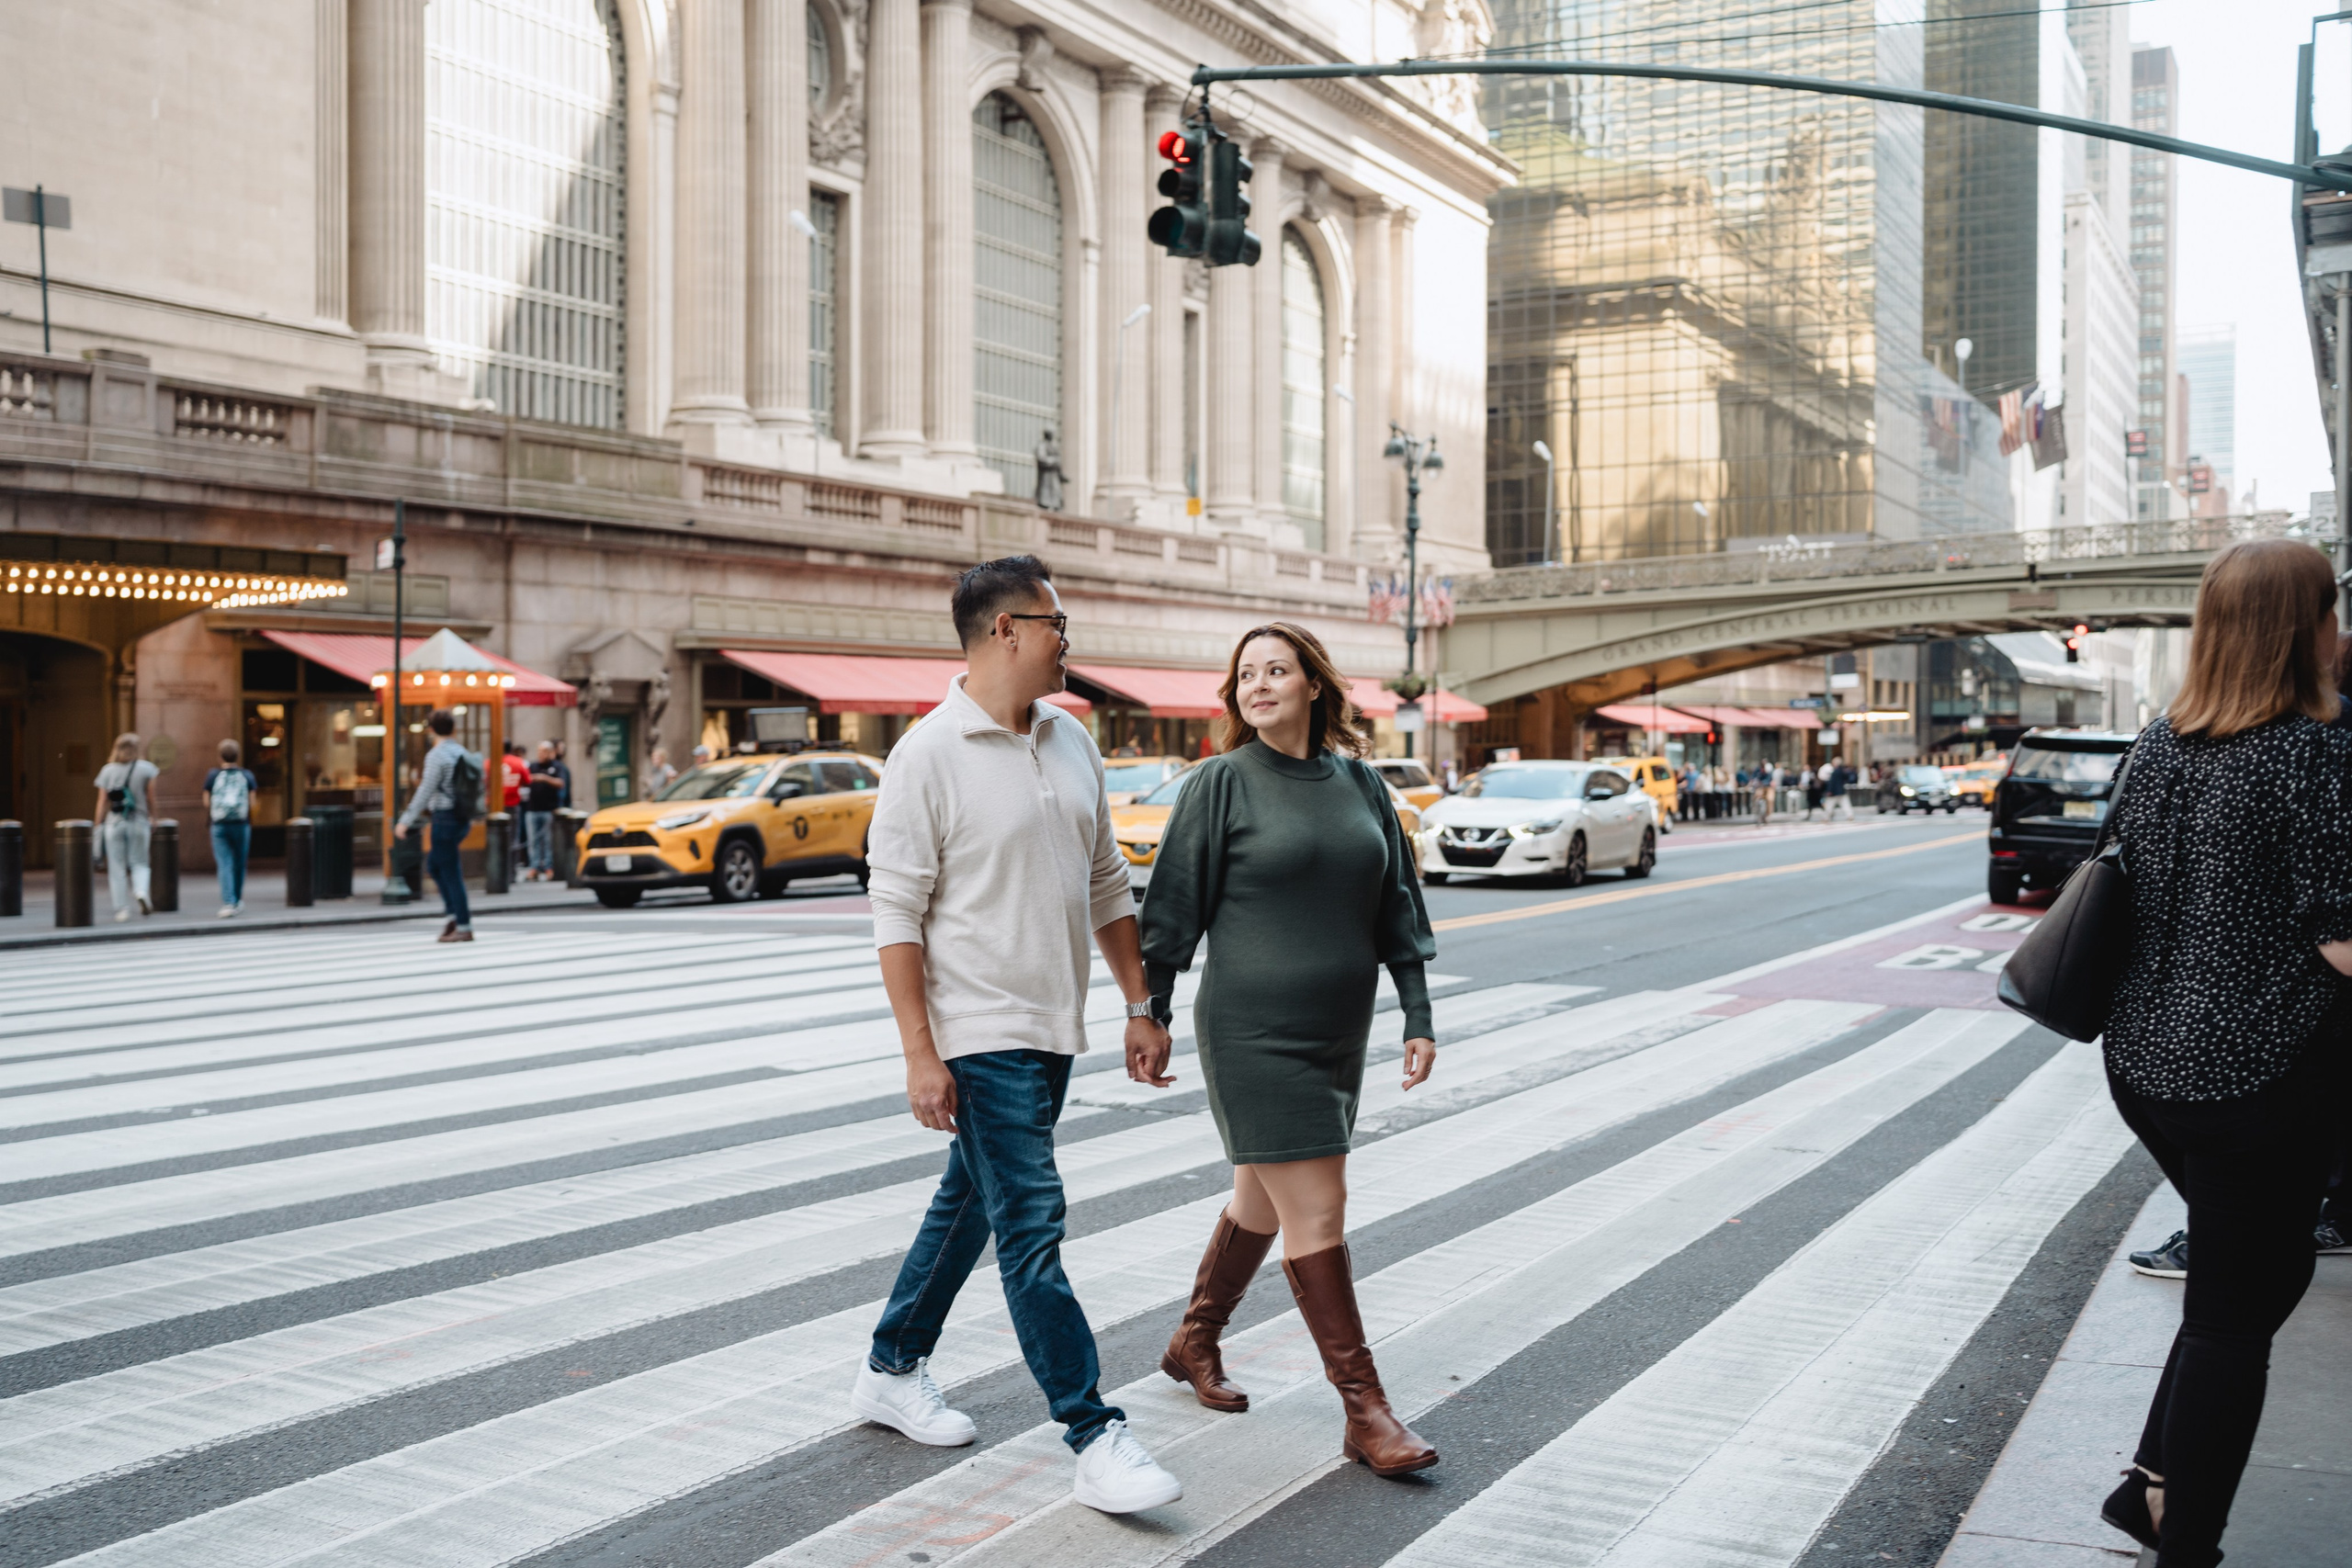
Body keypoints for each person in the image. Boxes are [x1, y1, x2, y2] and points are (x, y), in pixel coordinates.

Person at [852, 554, 1185, 1515]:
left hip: (1052, 1027)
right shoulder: (925, 755)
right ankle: (1092, 1432)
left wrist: (1137, 1002)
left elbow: (1106, 882)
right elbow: (896, 917)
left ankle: (890, 1362)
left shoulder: (1071, 740)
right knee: (1031, 1225)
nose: (1066, 636)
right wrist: (921, 1051)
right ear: (1005, 628)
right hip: (978, 1029)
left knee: (971, 1206)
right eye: (1054, 620)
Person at [2092, 538, 2352, 1566]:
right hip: (2259, 1076)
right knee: (2235, 1317)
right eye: (2331, 611)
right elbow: (2340, 935)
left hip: (2147, 1066)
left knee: (2256, 1280)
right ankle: (2181, 1539)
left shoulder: (2160, 743)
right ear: (2304, 627)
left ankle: (2151, 1487)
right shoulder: (2316, 753)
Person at [1140, 621, 1442, 1478]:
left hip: (1339, 1033)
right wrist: (1150, 1011)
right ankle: (1366, 1410)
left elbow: (1398, 904)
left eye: (1278, 669)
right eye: (1246, 674)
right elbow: (1171, 912)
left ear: (1315, 683)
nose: (1260, 683)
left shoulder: (1360, 782)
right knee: (1319, 1206)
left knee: (1263, 1201)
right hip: (1252, 1033)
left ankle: (1192, 1339)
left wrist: (1416, 1012)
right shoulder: (1220, 784)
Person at [395, 709, 479, 942]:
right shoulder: (460, 751)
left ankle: (462, 924)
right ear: (454, 729)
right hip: (461, 817)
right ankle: (454, 917)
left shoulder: (436, 755)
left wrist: (405, 821)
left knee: (450, 871)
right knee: (435, 866)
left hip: (445, 817)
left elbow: (425, 790)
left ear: (431, 730)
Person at [92, 734, 159, 922]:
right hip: (139, 821)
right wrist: (154, 817)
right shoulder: (147, 769)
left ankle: (122, 909)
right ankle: (141, 892)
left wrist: (98, 823)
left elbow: (102, 801)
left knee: (117, 867)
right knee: (140, 863)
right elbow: (151, 798)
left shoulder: (107, 771)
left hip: (114, 823)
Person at [202, 739, 258, 918]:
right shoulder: (247, 775)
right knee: (239, 863)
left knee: (224, 863)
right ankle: (237, 900)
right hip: (241, 825)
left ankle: (228, 902)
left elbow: (206, 802)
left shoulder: (212, 775)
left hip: (219, 825)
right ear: (238, 756)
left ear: (220, 756)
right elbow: (253, 803)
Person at [523, 740, 568, 882]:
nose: (540, 754)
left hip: (549, 809)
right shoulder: (532, 766)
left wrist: (544, 779)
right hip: (532, 809)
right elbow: (524, 780)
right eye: (539, 751)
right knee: (533, 841)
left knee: (548, 841)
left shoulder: (556, 767)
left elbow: (561, 783)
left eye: (543, 751)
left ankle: (549, 867)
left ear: (549, 753)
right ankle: (534, 867)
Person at [1825, 756, 1855, 821]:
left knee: (1829, 805)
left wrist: (1829, 791)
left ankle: (1826, 818)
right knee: (1845, 804)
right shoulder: (1842, 770)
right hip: (1841, 790)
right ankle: (1850, 815)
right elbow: (1847, 778)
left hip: (1834, 792)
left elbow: (1832, 782)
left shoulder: (1835, 771)